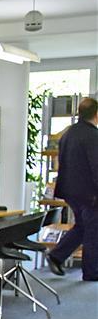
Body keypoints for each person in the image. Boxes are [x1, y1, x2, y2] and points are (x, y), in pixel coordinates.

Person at [46, 96, 98, 281]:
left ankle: (57, 255)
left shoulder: (69, 133)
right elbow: (95, 165)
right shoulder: (92, 135)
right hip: (89, 192)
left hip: (69, 190)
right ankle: (91, 272)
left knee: (84, 226)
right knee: (92, 229)